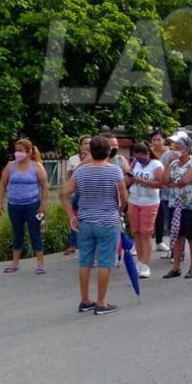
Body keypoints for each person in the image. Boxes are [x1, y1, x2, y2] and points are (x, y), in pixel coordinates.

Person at [61, 135, 128, 315]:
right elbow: (123, 197)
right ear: (108, 151)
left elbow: (64, 194)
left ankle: (85, 300)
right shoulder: (115, 171)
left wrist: (71, 216)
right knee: (105, 262)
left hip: (85, 221)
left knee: (85, 261)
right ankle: (101, 302)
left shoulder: (81, 172)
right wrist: (121, 209)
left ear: (90, 151)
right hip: (107, 221)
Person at [0, 138, 50, 274]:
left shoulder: (36, 166)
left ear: (29, 151)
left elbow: (45, 186)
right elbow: (2, 184)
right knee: (17, 234)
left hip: (32, 205)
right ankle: (15, 264)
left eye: (20, 151)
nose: (17, 153)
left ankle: (40, 264)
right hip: (14, 205)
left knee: (35, 233)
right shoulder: (10, 166)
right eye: (16, 151)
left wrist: (43, 204)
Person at [162, 134, 192, 279]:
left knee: (191, 236)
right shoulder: (173, 164)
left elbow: (184, 181)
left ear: (186, 149)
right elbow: (165, 181)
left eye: (178, 147)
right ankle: (176, 267)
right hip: (175, 204)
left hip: (189, 205)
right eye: (174, 147)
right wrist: (168, 165)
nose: (175, 150)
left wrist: (174, 182)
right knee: (177, 236)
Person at [125, 142, 163, 279]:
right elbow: (128, 181)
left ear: (147, 153)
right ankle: (140, 261)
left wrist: (143, 181)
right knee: (136, 232)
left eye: (141, 155)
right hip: (134, 200)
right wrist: (128, 179)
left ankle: (146, 265)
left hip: (149, 202)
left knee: (146, 233)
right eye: (136, 156)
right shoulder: (135, 163)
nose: (139, 158)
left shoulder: (156, 165)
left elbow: (161, 183)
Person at [63, 135, 92, 256]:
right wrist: (68, 190)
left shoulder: (96, 158)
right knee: (74, 217)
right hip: (77, 192)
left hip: (90, 193)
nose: (87, 145)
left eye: (90, 143)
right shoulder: (73, 159)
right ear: (80, 146)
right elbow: (69, 176)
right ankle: (73, 244)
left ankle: (88, 245)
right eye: (85, 143)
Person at [150, 130, 174, 253]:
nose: (156, 142)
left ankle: (159, 241)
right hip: (151, 187)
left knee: (162, 216)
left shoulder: (168, 154)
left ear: (163, 140)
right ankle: (145, 243)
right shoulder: (148, 152)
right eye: (153, 140)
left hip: (164, 190)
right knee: (149, 217)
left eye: (158, 139)